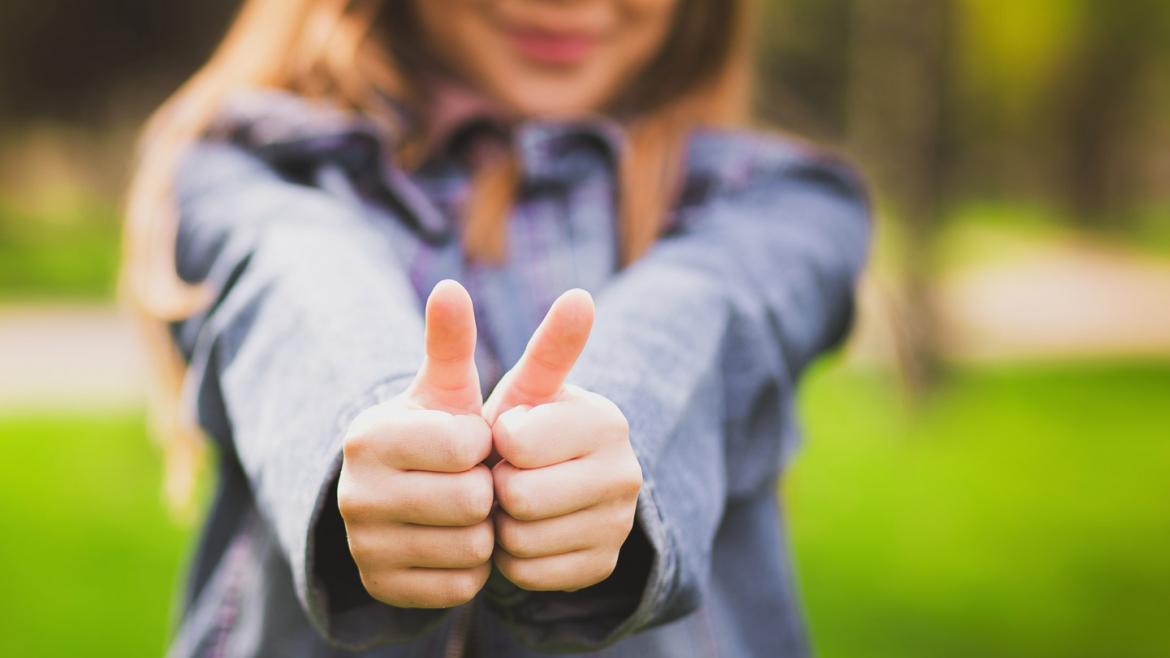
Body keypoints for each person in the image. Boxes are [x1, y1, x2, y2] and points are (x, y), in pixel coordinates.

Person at [123, 0, 871, 656]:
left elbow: (706, 309)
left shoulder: (786, 205)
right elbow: (298, 282)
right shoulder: (250, 172)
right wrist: (378, 426)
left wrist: (603, 438)